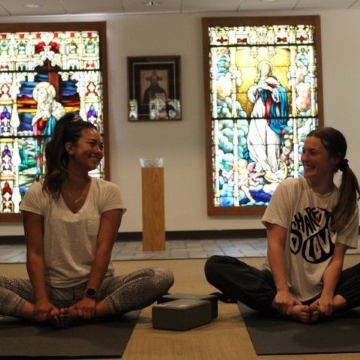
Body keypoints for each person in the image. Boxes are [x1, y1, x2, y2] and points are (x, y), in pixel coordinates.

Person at [0, 112, 174, 329]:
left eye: (101, 146)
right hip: (49, 289)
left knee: (161, 276)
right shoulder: (38, 193)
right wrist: (42, 299)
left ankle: (87, 312)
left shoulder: (109, 192)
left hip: (99, 289)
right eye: (92, 144)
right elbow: (34, 252)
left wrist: (90, 296)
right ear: (70, 148)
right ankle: (39, 311)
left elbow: (104, 249)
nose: (99, 151)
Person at [205, 127, 360, 324]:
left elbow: (336, 260)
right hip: (277, 285)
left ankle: (328, 306)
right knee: (215, 266)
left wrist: (328, 296)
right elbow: (275, 245)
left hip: (323, 287)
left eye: (312, 153)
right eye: (304, 151)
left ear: (334, 159)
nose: (304, 158)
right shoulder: (289, 189)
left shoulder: (346, 202)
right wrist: (283, 291)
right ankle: (286, 306)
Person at [247, 59, 292, 182]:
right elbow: (251, 97)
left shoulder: (273, 83)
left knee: (273, 140)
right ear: (260, 69)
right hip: (258, 114)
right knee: (257, 139)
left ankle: (274, 168)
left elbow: (278, 97)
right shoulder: (256, 84)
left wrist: (272, 90)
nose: (265, 70)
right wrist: (259, 88)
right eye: (264, 68)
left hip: (272, 115)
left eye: (268, 68)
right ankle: (263, 167)